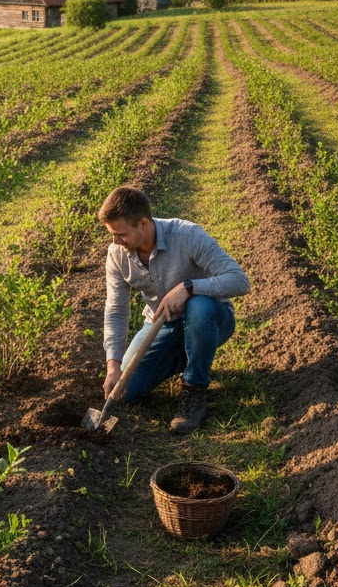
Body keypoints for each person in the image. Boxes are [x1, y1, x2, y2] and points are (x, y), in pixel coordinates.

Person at [99, 185, 250, 434]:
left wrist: (189, 287)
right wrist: (113, 366)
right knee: (129, 390)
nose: (115, 241)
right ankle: (190, 355)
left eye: (121, 234)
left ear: (144, 224)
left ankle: (194, 389)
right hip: (162, 324)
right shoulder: (117, 254)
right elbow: (116, 310)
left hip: (211, 317)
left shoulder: (187, 235)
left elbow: (240, 281)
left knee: (198, 307)